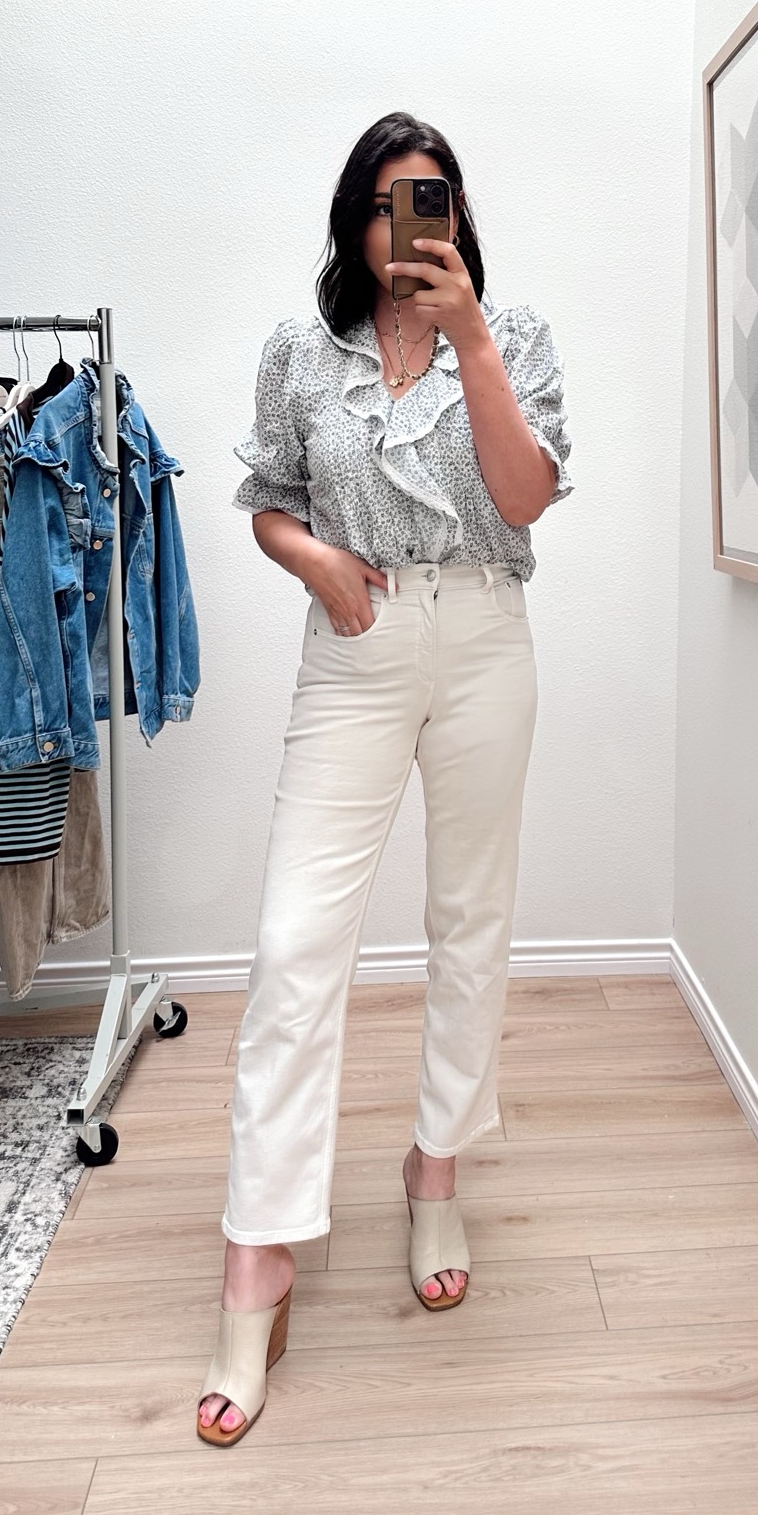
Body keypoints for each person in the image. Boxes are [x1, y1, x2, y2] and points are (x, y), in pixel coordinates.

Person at [197, 109, 573, 1445]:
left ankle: (434, 1169)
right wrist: (313, 559)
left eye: (432, 198)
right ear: (353, 221)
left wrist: (474, 343)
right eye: (385, 201)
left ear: (457, 216)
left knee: (470, 918)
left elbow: (523, 499)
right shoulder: (300, 351)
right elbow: (269, 501)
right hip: (353, 645)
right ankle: (257, 1259)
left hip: (482, 635)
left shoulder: (512, 335)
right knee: (295, 941)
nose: (408, 223)